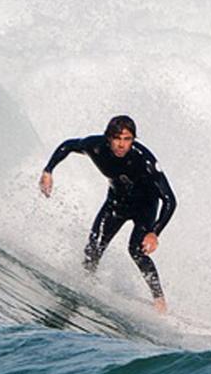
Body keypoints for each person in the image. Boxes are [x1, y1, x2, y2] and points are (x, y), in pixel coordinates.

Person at [39, 115, 176, 314]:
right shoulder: (96, 146)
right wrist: (48, 170)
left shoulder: (144, 159)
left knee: (136, 250)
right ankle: (86, 283)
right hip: (116, 204)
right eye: (117, 138)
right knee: (93, 247)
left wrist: (155, 232)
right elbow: (68, 145)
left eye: (127, 139)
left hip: (144, 207)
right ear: (108, 138)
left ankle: (159, 299)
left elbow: (170, 200)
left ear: (133, 140)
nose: (121, 145)